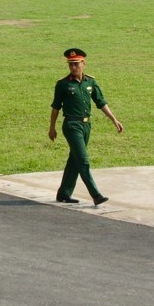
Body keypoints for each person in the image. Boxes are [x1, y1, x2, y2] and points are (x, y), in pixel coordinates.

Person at [48, 48, 123, 205]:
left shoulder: (91, 82)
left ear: (84, 64)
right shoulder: (62, 84)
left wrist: (114, 120)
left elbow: (101, 102)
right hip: (71, 125)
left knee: (74, 160)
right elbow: (56, 108)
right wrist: (52, 127)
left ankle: (64, 193)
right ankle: (96, 195)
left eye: (76, 64)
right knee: (83, 160)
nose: (73, 67)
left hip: (86, 125)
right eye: (71, 65)